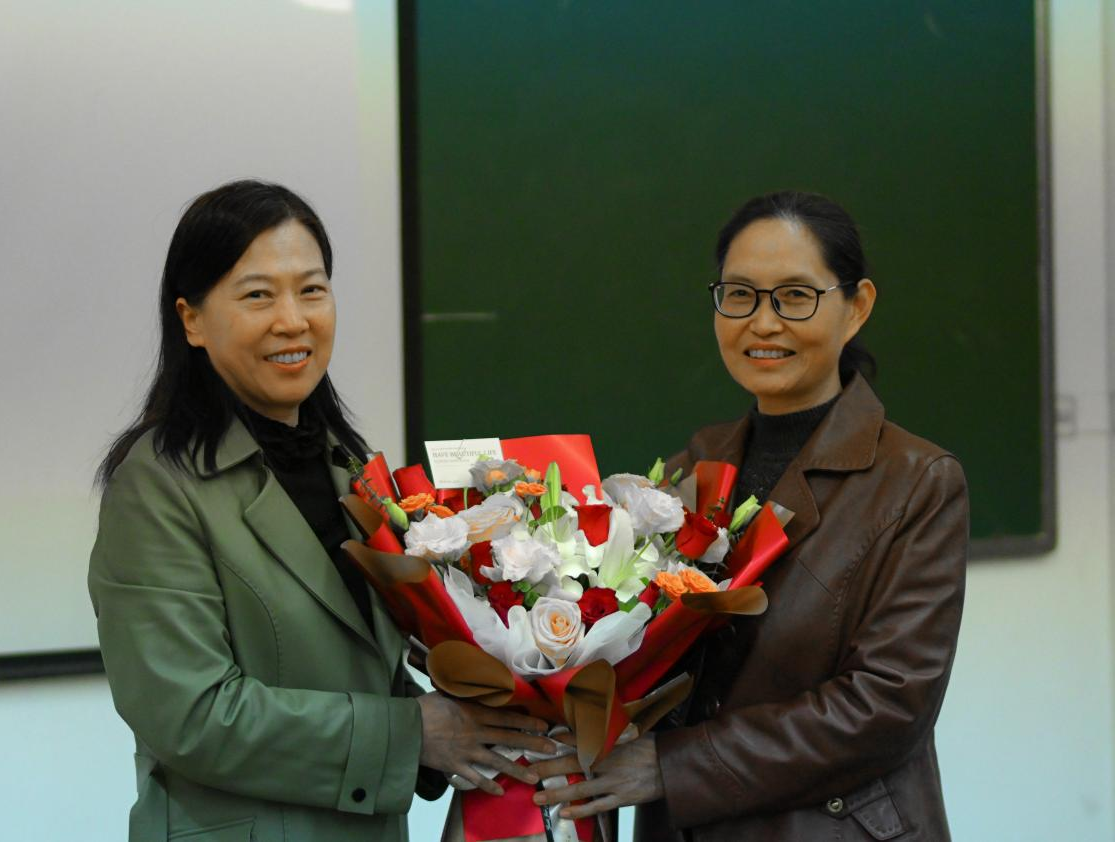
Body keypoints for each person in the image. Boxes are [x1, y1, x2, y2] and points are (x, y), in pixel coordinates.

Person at [89, 180, 554, 842]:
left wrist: (497, 709)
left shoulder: (348, 465)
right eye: (257, 295)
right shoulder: (157, 486)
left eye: (311, 289)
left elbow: (358, 665)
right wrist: (411, 734)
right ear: (191, 319)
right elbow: (189, 715)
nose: (292, 320)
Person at [531, 190, 968, 841]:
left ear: (856, 307)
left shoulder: (916, 481)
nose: (763, 323)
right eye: (739, 295)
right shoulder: (687, 474)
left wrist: (671, 767)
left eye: (794, 296)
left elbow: (886, 705)